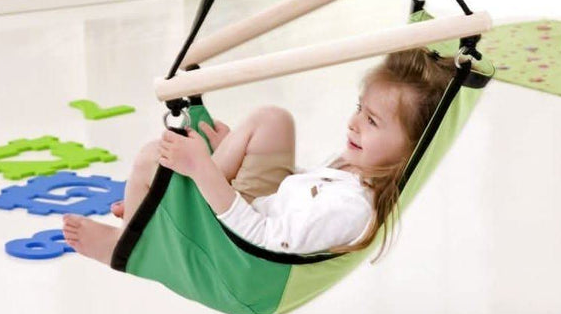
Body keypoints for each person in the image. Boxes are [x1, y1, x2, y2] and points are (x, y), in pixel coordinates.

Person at [61, 49, 459, 266]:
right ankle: (159, 205)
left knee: (153, 158)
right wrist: (237, 147)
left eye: (371, 121)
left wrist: (202, 168)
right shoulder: (356, 167)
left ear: (412, 147)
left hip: (241, 241)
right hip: (262, 205)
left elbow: (265, 242)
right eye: (359, 107)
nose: (354, 124)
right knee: (273, 119)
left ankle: (128, 239)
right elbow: (301, 191)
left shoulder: (350, 210)